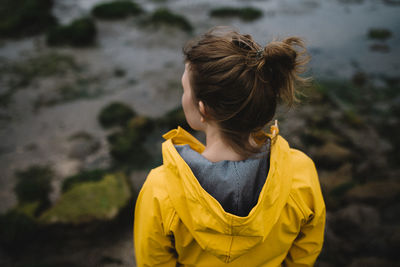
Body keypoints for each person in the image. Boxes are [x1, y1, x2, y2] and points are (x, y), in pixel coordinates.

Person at [134, 26, 326, 266]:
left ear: (203, 109)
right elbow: (306, 248)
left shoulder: (159, 190)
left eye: (185, 89)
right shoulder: (300, 172)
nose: (183, 97)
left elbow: (153, 261)